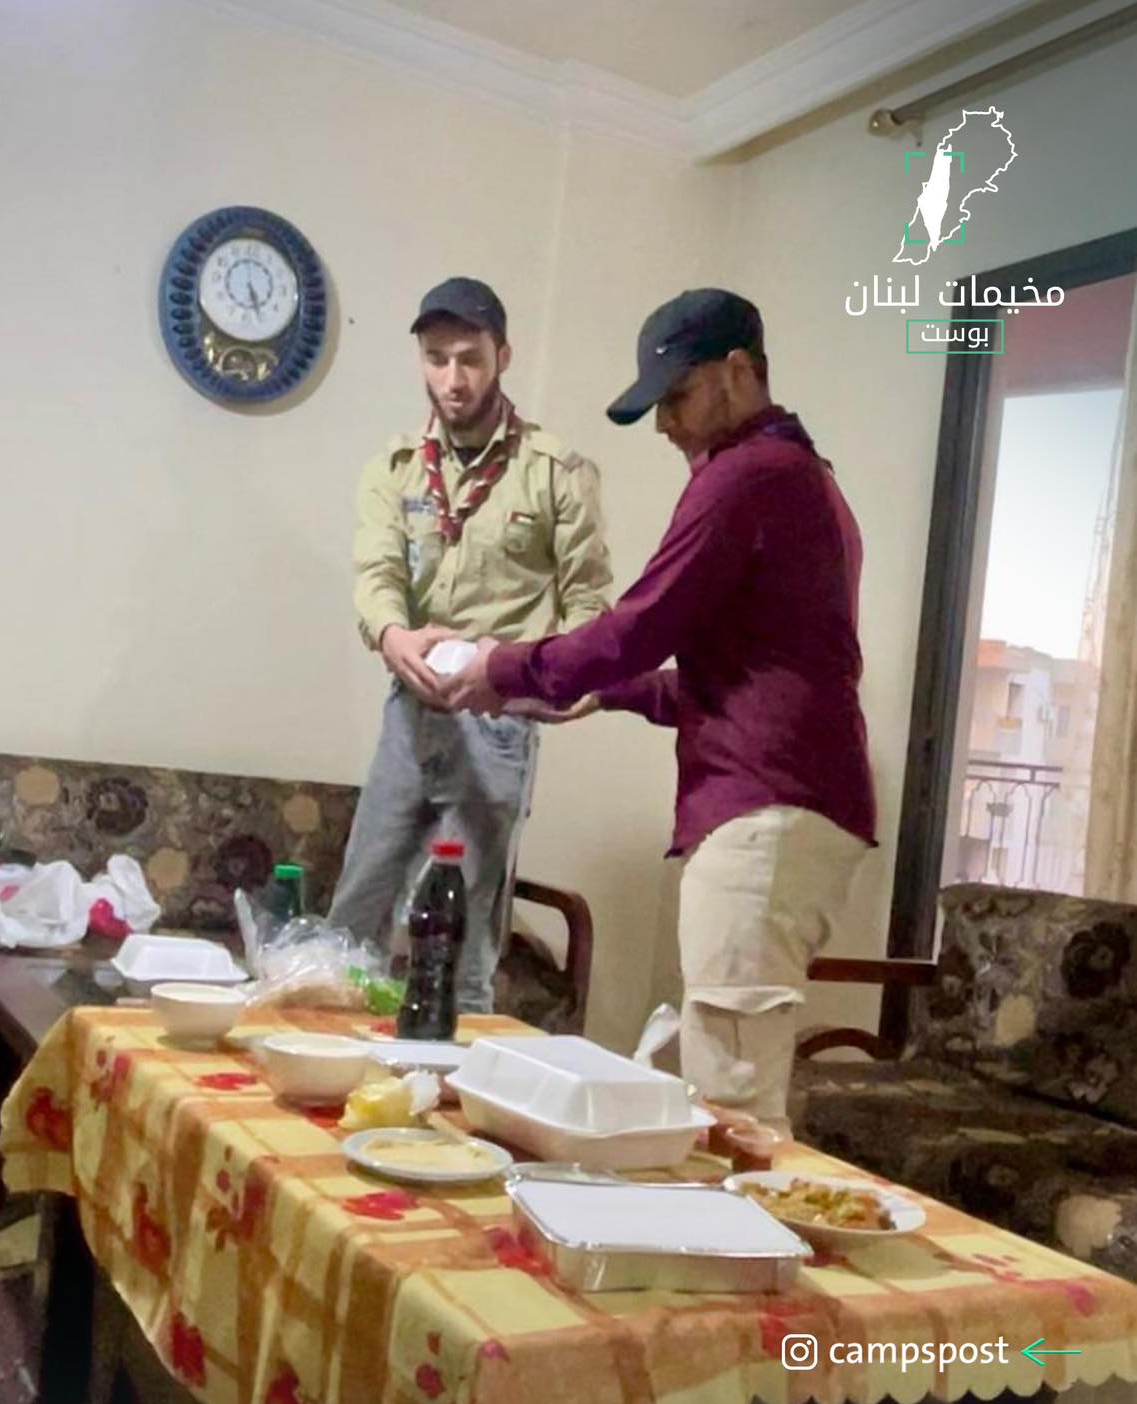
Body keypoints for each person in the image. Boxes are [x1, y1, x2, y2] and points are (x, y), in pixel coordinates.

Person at [442, 288, 875, 1131]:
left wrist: (501, 667)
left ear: (739, 372)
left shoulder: (748, 476)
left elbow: (641, 626)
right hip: (790, 804)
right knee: (697, 1083)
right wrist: (606, 691)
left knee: (736, 1108)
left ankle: (746, 1225)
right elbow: (751, 678)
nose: (665, 424)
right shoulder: (808, 480)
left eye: (677, 397)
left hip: (763, 813)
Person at [330, 277, 613, 1012]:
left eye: (470, 359)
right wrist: (391, 634)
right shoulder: (394, 468)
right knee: (353, 921)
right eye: (436, 359)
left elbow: (588, 606)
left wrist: (559, 684)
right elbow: (376, 576)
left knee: (458, 944)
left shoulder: (555, 472)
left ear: (502, 357)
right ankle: (331, 1066)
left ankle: (452, 1078)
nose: (452, 380)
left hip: (497, 721)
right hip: (410, 711)